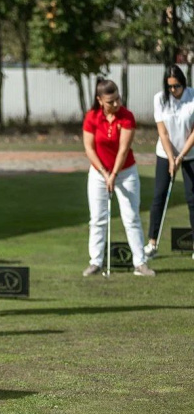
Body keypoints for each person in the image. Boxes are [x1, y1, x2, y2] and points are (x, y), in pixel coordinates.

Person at [82, 78, 155, 277]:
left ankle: (140, 263)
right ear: (99, 100)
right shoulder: (92, 117)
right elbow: (89, 148)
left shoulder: (127, 117)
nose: (116, 104)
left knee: (131, 217)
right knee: (97, 219)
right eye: (110, 101)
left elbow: (123, 150)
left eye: (117, 99)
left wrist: (113, 175)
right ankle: (95, 262)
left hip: (125, 173)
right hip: (98, 173)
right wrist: (105, 174)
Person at [144, 65, 194, 260]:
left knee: (192, 199)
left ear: (184, 83)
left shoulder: (193, 97)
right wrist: (171, 157)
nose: (173, 90)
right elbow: (162, 132)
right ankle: (152, 243)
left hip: (190, 154)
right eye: (170, 87)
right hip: (165, 154)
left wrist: (181, 156)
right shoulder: (160, 99)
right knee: (159, 197)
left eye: (177, 86)